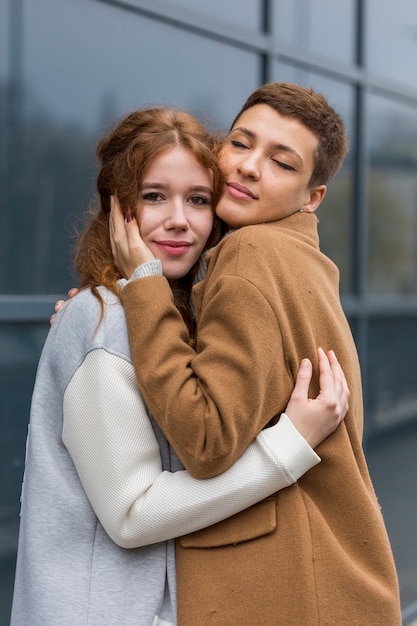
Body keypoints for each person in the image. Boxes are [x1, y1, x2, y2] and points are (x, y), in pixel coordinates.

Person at [11, 106, 349, 626]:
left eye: (197, 199)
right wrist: (288, 445)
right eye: (153, 197)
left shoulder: (171, 318)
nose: (178, 219)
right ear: (118, 206)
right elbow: (132, 513)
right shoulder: (103, 321)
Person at [110, 84, 402, 625]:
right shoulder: (303, 260)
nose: (248, 167)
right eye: (241, 144)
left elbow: (205, 438)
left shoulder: (251, 255)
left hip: (286, 590)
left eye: (280, 162)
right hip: (330, 584)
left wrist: (142, 287)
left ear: (312, 196)